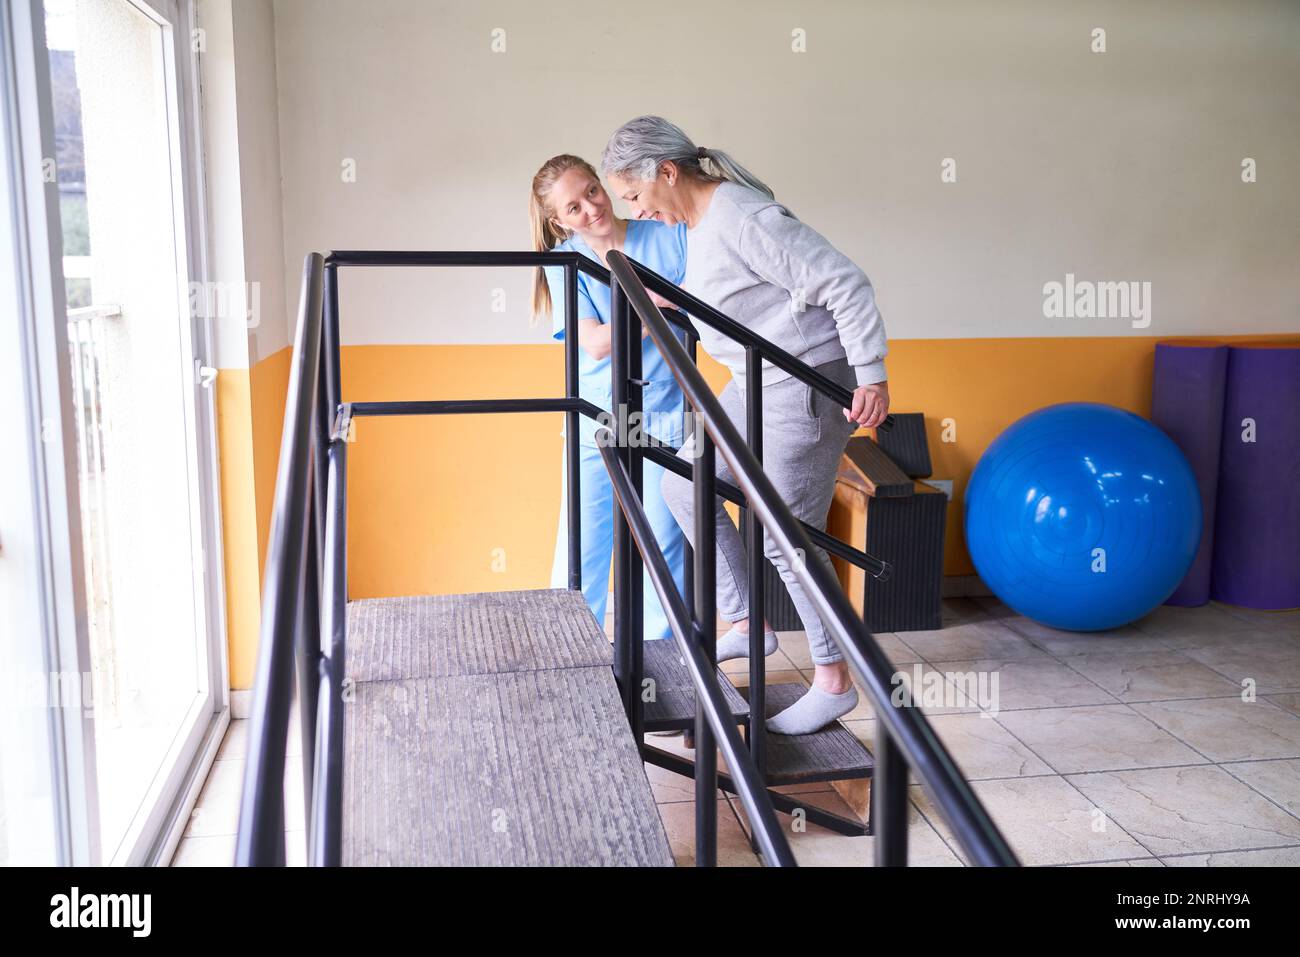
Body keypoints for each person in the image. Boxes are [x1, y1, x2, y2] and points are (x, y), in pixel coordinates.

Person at [601, 117, 891, 735]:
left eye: (633, 195)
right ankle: (747, 624)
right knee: (683, 482)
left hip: (803, 384)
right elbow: (746, 294)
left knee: (786, 538)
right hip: (756, 385)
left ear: (667, 172)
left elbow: (844, 281)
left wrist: (870, 374)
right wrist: (675, 300)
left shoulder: (740, 215)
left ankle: (834, 680)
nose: (635, 210)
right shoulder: (703, 225)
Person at [530, 153, 689, 640]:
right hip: (595, 416)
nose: (591, 209)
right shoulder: (565, 264)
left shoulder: (668, 234)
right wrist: (656, 306)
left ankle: (665, 662)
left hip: (669, 413)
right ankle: (572, 655)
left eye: (592, 192)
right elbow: (597, 343)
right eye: (573, 208)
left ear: (604, 186)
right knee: (583, 544)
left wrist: (647, 313)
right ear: (559, 223)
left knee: (668, 543)